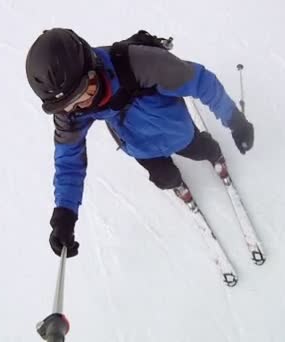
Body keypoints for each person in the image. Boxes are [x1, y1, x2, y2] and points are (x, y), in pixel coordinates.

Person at [25, 28, 254, 258]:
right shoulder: (71, 110)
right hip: (138, 146)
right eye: (68, 106)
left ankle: (215, 155)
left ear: (92, 66)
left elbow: (201, 82)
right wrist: (65, 212)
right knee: (164, 178)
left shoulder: (140, 64)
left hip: (178, 132)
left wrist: (235, 120)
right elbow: (69, 161)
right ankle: (176, 184)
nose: (81, 107)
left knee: (201, 149)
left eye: (83, 93)